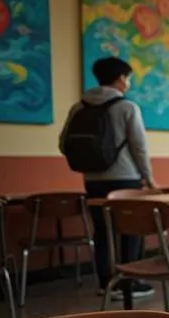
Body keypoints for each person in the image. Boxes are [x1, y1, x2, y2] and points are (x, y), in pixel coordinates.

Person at [59, 57, 155, 299]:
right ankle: (129, 284)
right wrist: (149, 177)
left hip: (93, 180)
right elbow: (139, 147)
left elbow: (63, 144)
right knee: (129, 232)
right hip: (125, 179)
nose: (128, 83)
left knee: (102, 232)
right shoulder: (127, 107)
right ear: (121, 78)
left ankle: (105, 283)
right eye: (128, 78)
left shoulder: (78, 107)